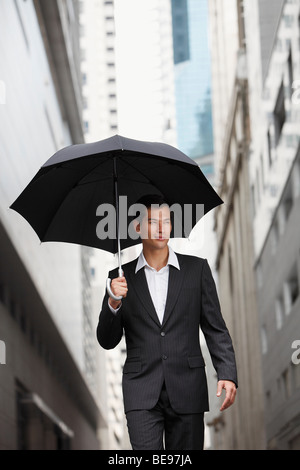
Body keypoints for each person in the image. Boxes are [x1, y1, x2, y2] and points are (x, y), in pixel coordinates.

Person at [96, 195, 237, 450]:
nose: (161, 228)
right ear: (137, 227)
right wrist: (113, 302)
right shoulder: (118, 278)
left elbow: (215, 328)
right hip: (141, 390)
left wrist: (226, 372)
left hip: (188, 386)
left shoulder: (198, 270)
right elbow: (107, 341)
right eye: (152, 221)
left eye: (166, 221)